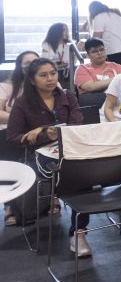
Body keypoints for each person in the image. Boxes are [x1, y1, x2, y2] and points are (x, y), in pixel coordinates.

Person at [6, 59, 89, 256]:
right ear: (32, 80)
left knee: (85, 172)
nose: (50, 78)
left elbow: (77, 125)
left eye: (53, 73)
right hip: (40, 154)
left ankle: (78, 232)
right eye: (43, 75)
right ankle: (79, 230)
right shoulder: (23, 103)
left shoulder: (67, 96)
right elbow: (13, 137)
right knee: (80, 177)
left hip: (70, 149)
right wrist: (44, 135)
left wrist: (43, 129)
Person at [0, 50, 39, 227]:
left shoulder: (47, 83)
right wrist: (21, 118)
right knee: (9, 149)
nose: (31, 65)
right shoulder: (7, 86)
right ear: (19, 66)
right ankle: (9, 204)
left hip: (40, 131)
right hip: (10, 130)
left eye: (35, 61)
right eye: (27, 62)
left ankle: (50, 197)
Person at [87, 1, 121, 65]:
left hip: (114, 50)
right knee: (120, 72)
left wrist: (86, 43)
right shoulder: (115, 14)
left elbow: (96, 38)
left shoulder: (99, 17)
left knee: (113, 72)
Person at [41, 22, 73, 88]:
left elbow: (73, 60)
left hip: (67, 72)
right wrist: (56, 65)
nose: (66, 32)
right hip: (53, 71)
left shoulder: (69, 44)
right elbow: (44, 59)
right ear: (57, 31)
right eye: (64, 30)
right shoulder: (47, 44)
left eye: (67, 30)